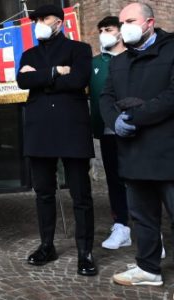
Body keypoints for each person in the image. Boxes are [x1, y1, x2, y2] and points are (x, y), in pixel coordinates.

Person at [17, 4, 97, 276]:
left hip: (72, 129)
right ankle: (46, 245)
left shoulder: (80, 49)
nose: (39, 22)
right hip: (39, 131)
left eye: (45, 18)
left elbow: (79, 80)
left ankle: (85, 252)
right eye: (36, 19)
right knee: (43, 193)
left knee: (81, 195)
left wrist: (40, 77)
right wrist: (55, 72)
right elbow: (22, 81)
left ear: (59, 22)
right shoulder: (28, 53)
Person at [100, 2, 174, 286]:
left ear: (149, 22)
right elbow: (106, 96)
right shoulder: (119, 60)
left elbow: (171, 95)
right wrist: (115, 121)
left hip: (168, 151)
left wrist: (135, 116)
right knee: (143, 218)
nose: (123, 28)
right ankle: (148, 268)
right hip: (133, 152)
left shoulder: (171, 49)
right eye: (122, 23)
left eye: (130, 21)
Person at [89, 16, 130, 250]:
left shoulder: (133, 58)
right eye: (101, 29)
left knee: (138, 180)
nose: (104, 33)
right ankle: (121, 225)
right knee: (114, 179)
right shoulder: (96, 62)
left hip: (134, 130)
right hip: (106, 131)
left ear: (120, 32)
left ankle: (151, 230)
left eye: (109, 29)